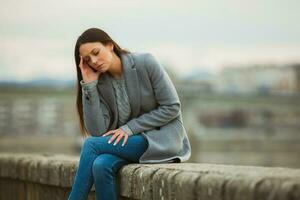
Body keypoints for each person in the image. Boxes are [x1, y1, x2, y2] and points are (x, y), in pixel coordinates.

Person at [68, 27, 191, 200]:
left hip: (160, 140)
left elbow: (172, 107)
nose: (94, 61)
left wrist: (129, 128)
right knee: (100, 165)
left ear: (109, 45)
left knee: (91, 145)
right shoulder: (99, 84)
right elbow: (97, 131)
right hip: (127, 145)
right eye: (88, 59)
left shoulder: (145, 62)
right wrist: (89, 87)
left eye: (96, 52)